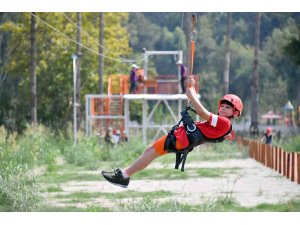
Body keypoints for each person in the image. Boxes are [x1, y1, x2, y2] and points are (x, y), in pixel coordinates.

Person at [102, 76, 243, 188]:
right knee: (150, 152)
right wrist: (192, 89)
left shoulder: (224, 122)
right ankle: (125, 175)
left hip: (181, 139)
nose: (223, 108)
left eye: (228, 108)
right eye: (222, 106)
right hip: (183, 139)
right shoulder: (222, 123)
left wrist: (191, 94)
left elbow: (201, 111)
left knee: (151, 151)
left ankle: (124, 176)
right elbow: (201, 110)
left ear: (234, 113)